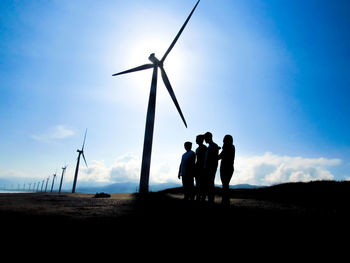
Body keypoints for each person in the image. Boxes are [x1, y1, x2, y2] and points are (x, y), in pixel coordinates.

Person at [218, 135, 235, 206]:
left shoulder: (229, 147)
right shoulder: (229, 147)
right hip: (227, 167)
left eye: (224, 139)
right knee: (225, 184)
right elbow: (219, 157)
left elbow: (219, 157)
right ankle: (225, 200)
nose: (223, 141)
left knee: (225, 184)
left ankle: (225, 201)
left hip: (226, 168)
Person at [203, 132, 220, 203]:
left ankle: (211, 199)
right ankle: (210, 198)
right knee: (208, 183)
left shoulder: (214, 146)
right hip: (207, 167)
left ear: (209, 137)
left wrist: (210, 167)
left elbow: (214, 158)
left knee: (210, 183)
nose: (204, 140)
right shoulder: (210, 146)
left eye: (205, 138)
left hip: (211, 168)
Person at [194, 135, 207, 201]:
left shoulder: (204, 148)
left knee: (202, 183)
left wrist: (205, 167)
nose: (196, 140)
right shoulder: (197, 149)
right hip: (197, 167)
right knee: (197, 183)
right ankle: (198, 196)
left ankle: (203, 197)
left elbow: (206, 158)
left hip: (202, 168)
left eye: (197, 139)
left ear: (201, 140)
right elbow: (196, 159)